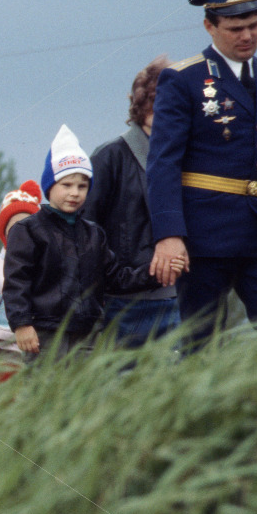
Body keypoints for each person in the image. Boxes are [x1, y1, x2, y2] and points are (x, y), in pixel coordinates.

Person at [148, 0, 257, 346]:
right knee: (200, 346)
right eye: (235, 28)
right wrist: (169, 235)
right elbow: (163, 161)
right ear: (209, 27)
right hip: (204, 237)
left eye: (254, 23)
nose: (247, 35)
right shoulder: (183, 80)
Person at [4, 126, 181, 358]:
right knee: (44, 391)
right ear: (49, 186)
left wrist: (155, 273)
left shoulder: (94, 234)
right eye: (66, 185)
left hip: (87, 334)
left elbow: (116, 278)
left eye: (82, 186)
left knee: (83, 393)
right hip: (44, 334)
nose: (75, 192)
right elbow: (17, 283)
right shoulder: (28, 230)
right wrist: (21, 324)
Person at [83, 56, 181, 347]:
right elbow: (86, 233)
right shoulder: (110, 157)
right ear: (144, 104)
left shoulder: (187, 157)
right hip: (123, 303)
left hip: (179, 298)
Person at [0, 180, 42, 368]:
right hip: (0, 352)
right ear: (4, 232)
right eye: (15, 227)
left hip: (37, 351)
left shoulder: (46, 269)